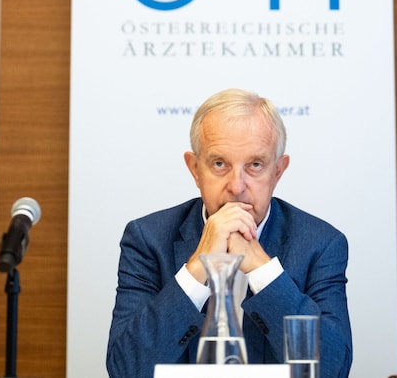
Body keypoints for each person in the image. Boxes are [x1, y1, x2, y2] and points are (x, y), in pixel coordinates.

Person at [106, 88, 352, 378]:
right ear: (195, 169)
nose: (237, 186)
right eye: (219, 164)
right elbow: (126, 370)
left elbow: (333, 371)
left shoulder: (320, 243)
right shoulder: (148, 238)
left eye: (255, 165)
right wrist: (197, 267)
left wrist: (264, 271)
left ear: (278, 171)